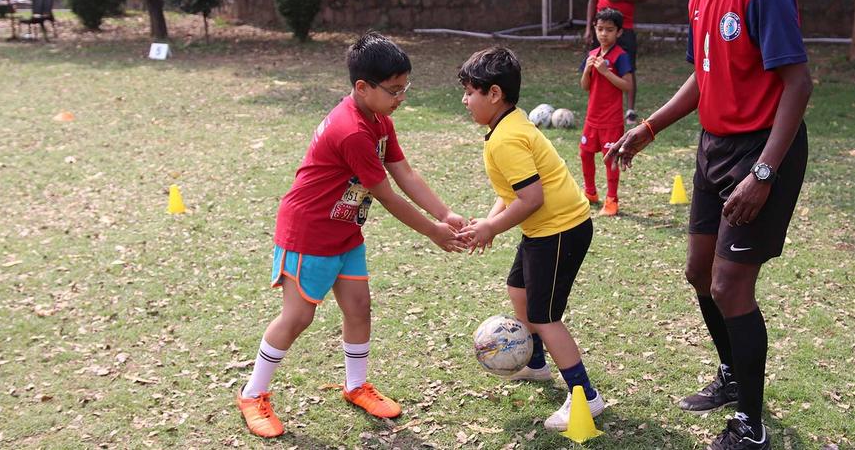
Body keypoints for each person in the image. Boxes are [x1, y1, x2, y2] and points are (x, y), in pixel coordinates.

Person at [607, 0, 812, 450]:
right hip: (713, 149)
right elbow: (705, 72)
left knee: (730, 285)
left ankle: (752, 425)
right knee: (700, 273)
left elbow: (797, 84)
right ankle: (731, 374)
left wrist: (764, 174)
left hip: (762, 151)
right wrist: (647, 127)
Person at [236, 32, 467, 438]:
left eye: (404, 88)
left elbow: (404, 172)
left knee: (359, 308)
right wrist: (433, 232)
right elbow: (388, 196)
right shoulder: (353, 131)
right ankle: (253, 393)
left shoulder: (379, 120)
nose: (401, 97)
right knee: (298, 317)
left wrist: (445, 213)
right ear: (362, 87)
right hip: (308, 232)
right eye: (394, 90)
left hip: (345, 230)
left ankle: (356, 385)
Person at [456, 46, 605, 431]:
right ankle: (536, 363)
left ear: (494, 94)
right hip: (546, 229)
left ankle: (585, 395)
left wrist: (492, 228)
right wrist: (488, 222)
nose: (465, 100)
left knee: (545, 316)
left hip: (559, 230)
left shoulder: (508, 137)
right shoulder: (507, 125)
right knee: (517, 289)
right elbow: (511, 191)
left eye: (471, 92)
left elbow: (531, 198)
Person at [583, 0, 649, 125]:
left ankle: (630, 110)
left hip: (624, 28)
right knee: (597, 65)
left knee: (628, 67)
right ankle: (597, 105)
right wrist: (589, 27)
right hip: (602, 28)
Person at [579, 7, 634, 217]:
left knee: (609, 159)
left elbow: (627, 85)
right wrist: (587, 70)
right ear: (594, 29)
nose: (603, 34)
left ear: (619, 32)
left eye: (609, 30)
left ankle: (612, 200)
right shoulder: (592, 54)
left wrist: (605, 72)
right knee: (584, 154)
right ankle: (590, 193)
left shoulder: (621, 56)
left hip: (611, 120)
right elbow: (585, 86)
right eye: (600, 29)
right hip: (592, 117)